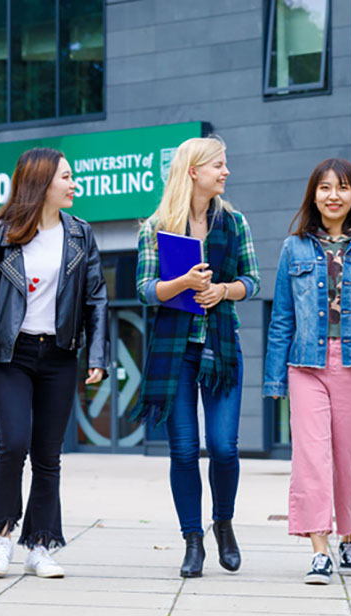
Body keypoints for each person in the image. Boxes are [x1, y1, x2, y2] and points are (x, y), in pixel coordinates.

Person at [264, 158, 351, 585]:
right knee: (311, 457)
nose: (333, 196)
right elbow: (281, 318)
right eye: (324, 188)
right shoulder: (294, 248)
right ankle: (320, 549)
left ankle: (350, 537)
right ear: (313, 195)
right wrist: (274, 378)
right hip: (305, 364)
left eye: (342, 188)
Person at [0, 147, 108, 578]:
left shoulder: (81, 235)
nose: (73, 184)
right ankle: (2, 537)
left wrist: (97, 354)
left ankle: (41, 545)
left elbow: (97, 299)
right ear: (42, 183)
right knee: (13, 445)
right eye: (66, 177)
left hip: (60, 355)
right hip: (13, 355)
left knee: (49, 454)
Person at [131, 136, 260, 577]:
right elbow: (147, 291)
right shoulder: (158, 227)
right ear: (193, 171)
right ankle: (193, 541)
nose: (225, 172)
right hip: (175, 353)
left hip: (222, 347)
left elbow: (253, 280)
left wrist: (223, 290)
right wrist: (183, 282)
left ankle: (223, 523)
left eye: (225, 165)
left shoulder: (235, 221)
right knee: (184, 451)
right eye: (218, 165)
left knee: (223, 448)